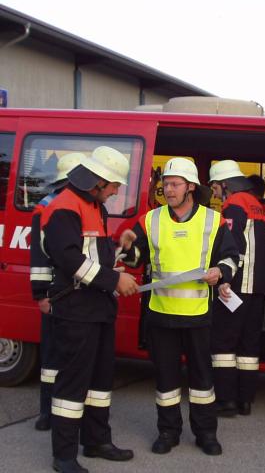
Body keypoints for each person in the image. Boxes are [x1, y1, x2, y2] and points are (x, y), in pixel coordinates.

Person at [120, 157, 238, 456]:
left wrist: (220, 272)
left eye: (174, 184)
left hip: (198, 315)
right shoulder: (150, 219)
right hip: (161, 314)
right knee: (166, 378)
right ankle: (168, 432)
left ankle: (206, 433)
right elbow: (135, 260)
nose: (168, 190)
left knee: (202, 379)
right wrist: (128, 247)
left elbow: (231, 257)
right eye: (165, 185)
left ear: (190, 188)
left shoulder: (213, 220)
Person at [40, 146, 138, 473]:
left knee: (99, 381)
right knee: (72, 384)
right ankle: (64, 456)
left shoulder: (94, 206)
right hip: (76, 309)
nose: (116, 191)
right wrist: (113, 281)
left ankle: (97, 441)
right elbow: (69, 259)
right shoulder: (64, 207)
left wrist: (117, 251)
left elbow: (94, 254)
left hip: (97, 307)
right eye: (113, 185)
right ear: (97, 181)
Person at [209, 160, 265, 417]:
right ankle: (245, 400)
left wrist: (225, 279)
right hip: (259, 285)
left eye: (214, 187)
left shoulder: (234, 204)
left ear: (225, 184)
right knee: (249, 345)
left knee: (223, 342)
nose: (214, 193)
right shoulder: (257, 203)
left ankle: (225, 401)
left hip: (237, 285)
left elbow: (235, 247)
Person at [30, 152, 86, 432]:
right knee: (54, 356)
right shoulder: (50, 207)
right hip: (56, 291)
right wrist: (41, 295)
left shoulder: (59, 203)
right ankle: (48, 413)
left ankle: (54, 413)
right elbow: (39, 258)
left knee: (61, 355)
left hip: (67, 291)